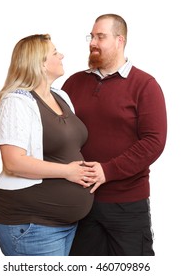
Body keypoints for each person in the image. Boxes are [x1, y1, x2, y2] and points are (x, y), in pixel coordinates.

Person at [62, 14, 167, 256]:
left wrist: (108, 171)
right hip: (80, 202)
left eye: (101, 36)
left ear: (120, 40)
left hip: (127, 204)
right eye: (91, 36)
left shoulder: (144, 85)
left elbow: (154, 142)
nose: (93, 42)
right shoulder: (74, 83)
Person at [0, 34, 96, 256]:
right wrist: (68, 172)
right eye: (55, 52)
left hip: (64, 225)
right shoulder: (16, 101)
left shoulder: (61, 96)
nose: (62, 55)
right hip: (31, 225)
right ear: (40, 63)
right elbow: (13, 163)